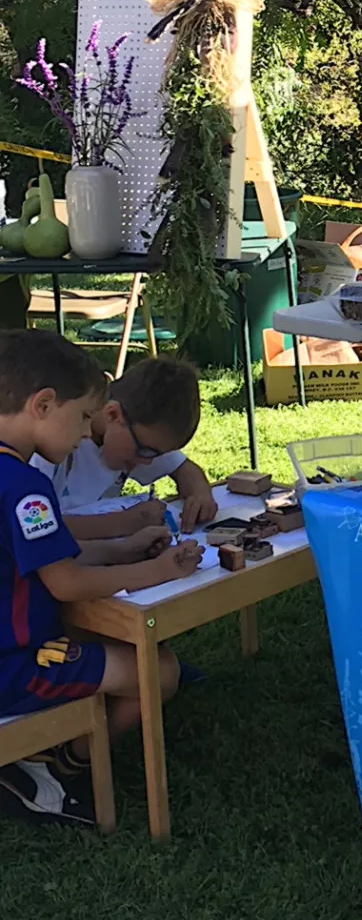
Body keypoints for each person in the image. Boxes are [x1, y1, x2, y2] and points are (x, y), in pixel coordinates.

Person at [0, 332, 202, 826]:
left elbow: (40, 557)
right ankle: (52, 768)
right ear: (43, 405)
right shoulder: (26, 488)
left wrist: (119, 549)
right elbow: (65, 583)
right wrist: (155, 570)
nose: (81, 434)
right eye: (81, 418)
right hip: (14, 665)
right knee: (159, 671)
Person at [42, 356, 217, 536]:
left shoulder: (134, 436)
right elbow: (36, 528)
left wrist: (200, 495)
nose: (147, 463)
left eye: (156, 455)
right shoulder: (55, 443)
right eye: (146, 451)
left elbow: (185, 469)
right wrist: (126, 522)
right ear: (112, 414)